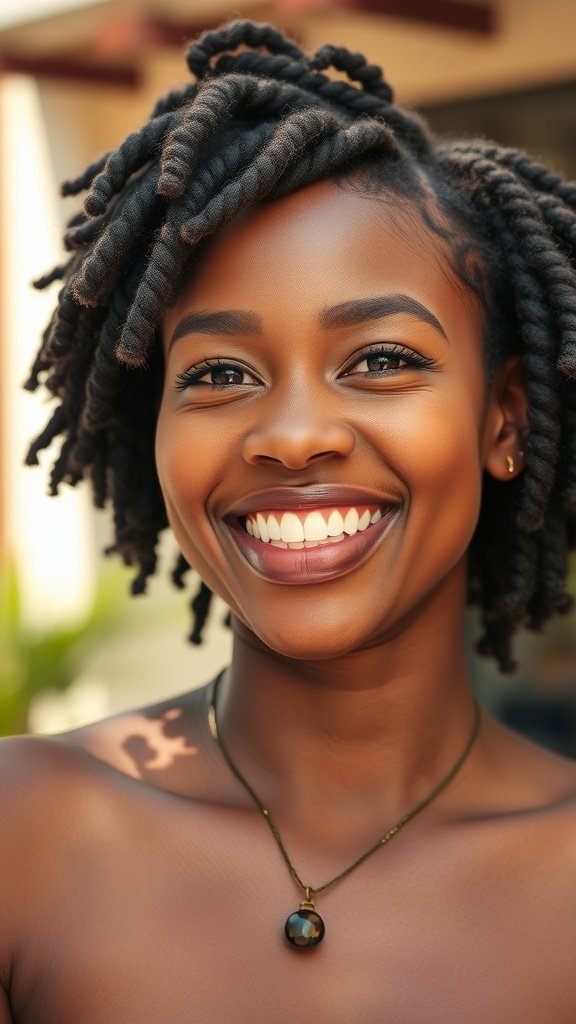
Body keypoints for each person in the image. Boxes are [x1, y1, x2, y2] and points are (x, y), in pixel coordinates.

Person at [1, 17, 576, 1022]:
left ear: (504, 419)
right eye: (220, 374)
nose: (294, 435)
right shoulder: (24, 834)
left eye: (382, 360)